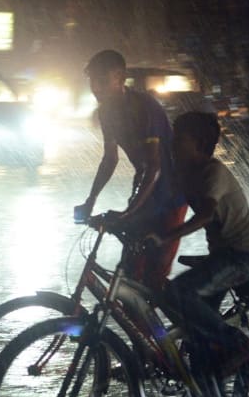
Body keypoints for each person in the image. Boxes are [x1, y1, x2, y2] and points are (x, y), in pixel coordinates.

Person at [145, 111, 249, 397]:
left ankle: (236, 341)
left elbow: (208, 213)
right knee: (197, 342)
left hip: (239, 256)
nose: (173, 143)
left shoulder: (212, 172)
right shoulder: (187, 172)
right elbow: (158, 198)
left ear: (199, 144)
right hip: (219, 257)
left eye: (179, 138)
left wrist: (167, 234)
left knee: (179, 292)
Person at [74, 50, 188, 291]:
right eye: (92, 81)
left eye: (102, 81)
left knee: (152, 281)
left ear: (120, 77)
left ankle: (170, 326)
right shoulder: (106, 112)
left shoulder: (143, 107)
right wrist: (90, 200)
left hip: (169, 195)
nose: (96, 88)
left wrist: (130, 211)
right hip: (144, 190)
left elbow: (155, 167)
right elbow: (110, 159)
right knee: (128, 273)